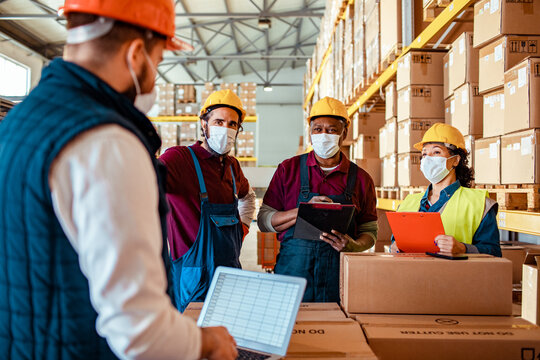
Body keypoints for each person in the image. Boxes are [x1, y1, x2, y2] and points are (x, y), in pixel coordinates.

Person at [0, 0, 238, 359]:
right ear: (138, 54)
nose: (154, 76)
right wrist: (208, 342)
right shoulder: (107, 142)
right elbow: (140, 331)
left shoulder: (19, 124)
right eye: (157, 63)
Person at [258, 97, 378, 302]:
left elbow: (370, 232)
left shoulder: (361, 179)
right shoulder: (289, 170)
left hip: (338, 278)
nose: (324, 135)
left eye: (331, 130)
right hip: (292, 275)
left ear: (344, 133)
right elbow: (264, 222)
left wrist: (354, 246)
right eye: (318, 129)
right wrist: (303, 212)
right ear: (310, 132)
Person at [160, 89, 256, 312]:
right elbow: (145, 182)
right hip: (193, 281)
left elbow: (248, 197)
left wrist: (242, 228)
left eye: (233, 124)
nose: (226, 129)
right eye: (219, 121)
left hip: (230, 276)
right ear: (204, 124)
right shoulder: (179, 159)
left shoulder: (233, 167)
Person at [391, 123, 502, 257]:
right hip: (413, 276)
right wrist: (395, 247)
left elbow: (494, 254)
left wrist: (463, 248)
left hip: (454, 276)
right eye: (424, 154)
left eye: (436, 152)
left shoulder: (478, 204)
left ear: (455, 160)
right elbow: (395, 243)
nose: (428, 158)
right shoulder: (408, 203)